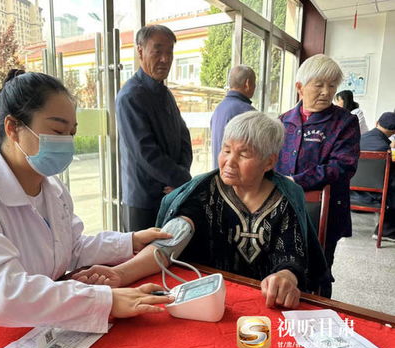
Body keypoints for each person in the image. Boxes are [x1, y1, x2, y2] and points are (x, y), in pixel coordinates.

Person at [0, 70, 175, 333]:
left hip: (35, 320)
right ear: (13, 128)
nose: (67, 143)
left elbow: (70, 247)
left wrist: (129, 241)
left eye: (71, 133)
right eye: (58, 130)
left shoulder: (51, 187)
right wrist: (105, 300)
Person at [152, 111, 331, 308]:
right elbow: (170, 240)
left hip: (264, 302)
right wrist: (121, 273)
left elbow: (291, 254)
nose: (229, 162)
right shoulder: (205, 191)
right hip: (207, 299)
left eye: (243, 154)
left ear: (269, 162)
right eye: (226, 150)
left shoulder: (285, 198)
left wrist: (285, 277)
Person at [275, 54, 360, 298]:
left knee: (318, 268)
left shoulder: (345, 122)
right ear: (300, 87)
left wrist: (296, 182)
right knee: (283, 262)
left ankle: (320, 315)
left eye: (332, 85)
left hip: (326, 209)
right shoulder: (284, 121)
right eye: (319, 84)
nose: (326, 91)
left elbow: (343, 166)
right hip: (282, 209)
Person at [116, 25, 192, 232]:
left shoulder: (166, 94)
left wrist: (182, 176)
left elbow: (184, 136)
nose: (165, 59)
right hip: (144, 201)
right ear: (140, 51)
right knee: (142, 259)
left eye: (169, 52)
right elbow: (146, 153)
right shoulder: (130, 96)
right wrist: (181, 179)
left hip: (172, 192)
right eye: (157, 51)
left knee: (169, 255)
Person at [350, 112, 395, 242]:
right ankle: (387, 230)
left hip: (349, 192)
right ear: (393, 132)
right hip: (372, 195)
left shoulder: (358, 139)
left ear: (376, 123)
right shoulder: (384, 148)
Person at [210, 65, 256, 168]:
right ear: (247, 84)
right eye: (254, 83)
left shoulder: (218, 109)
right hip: (237, 178)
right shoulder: (249, 113)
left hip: (219, 175)